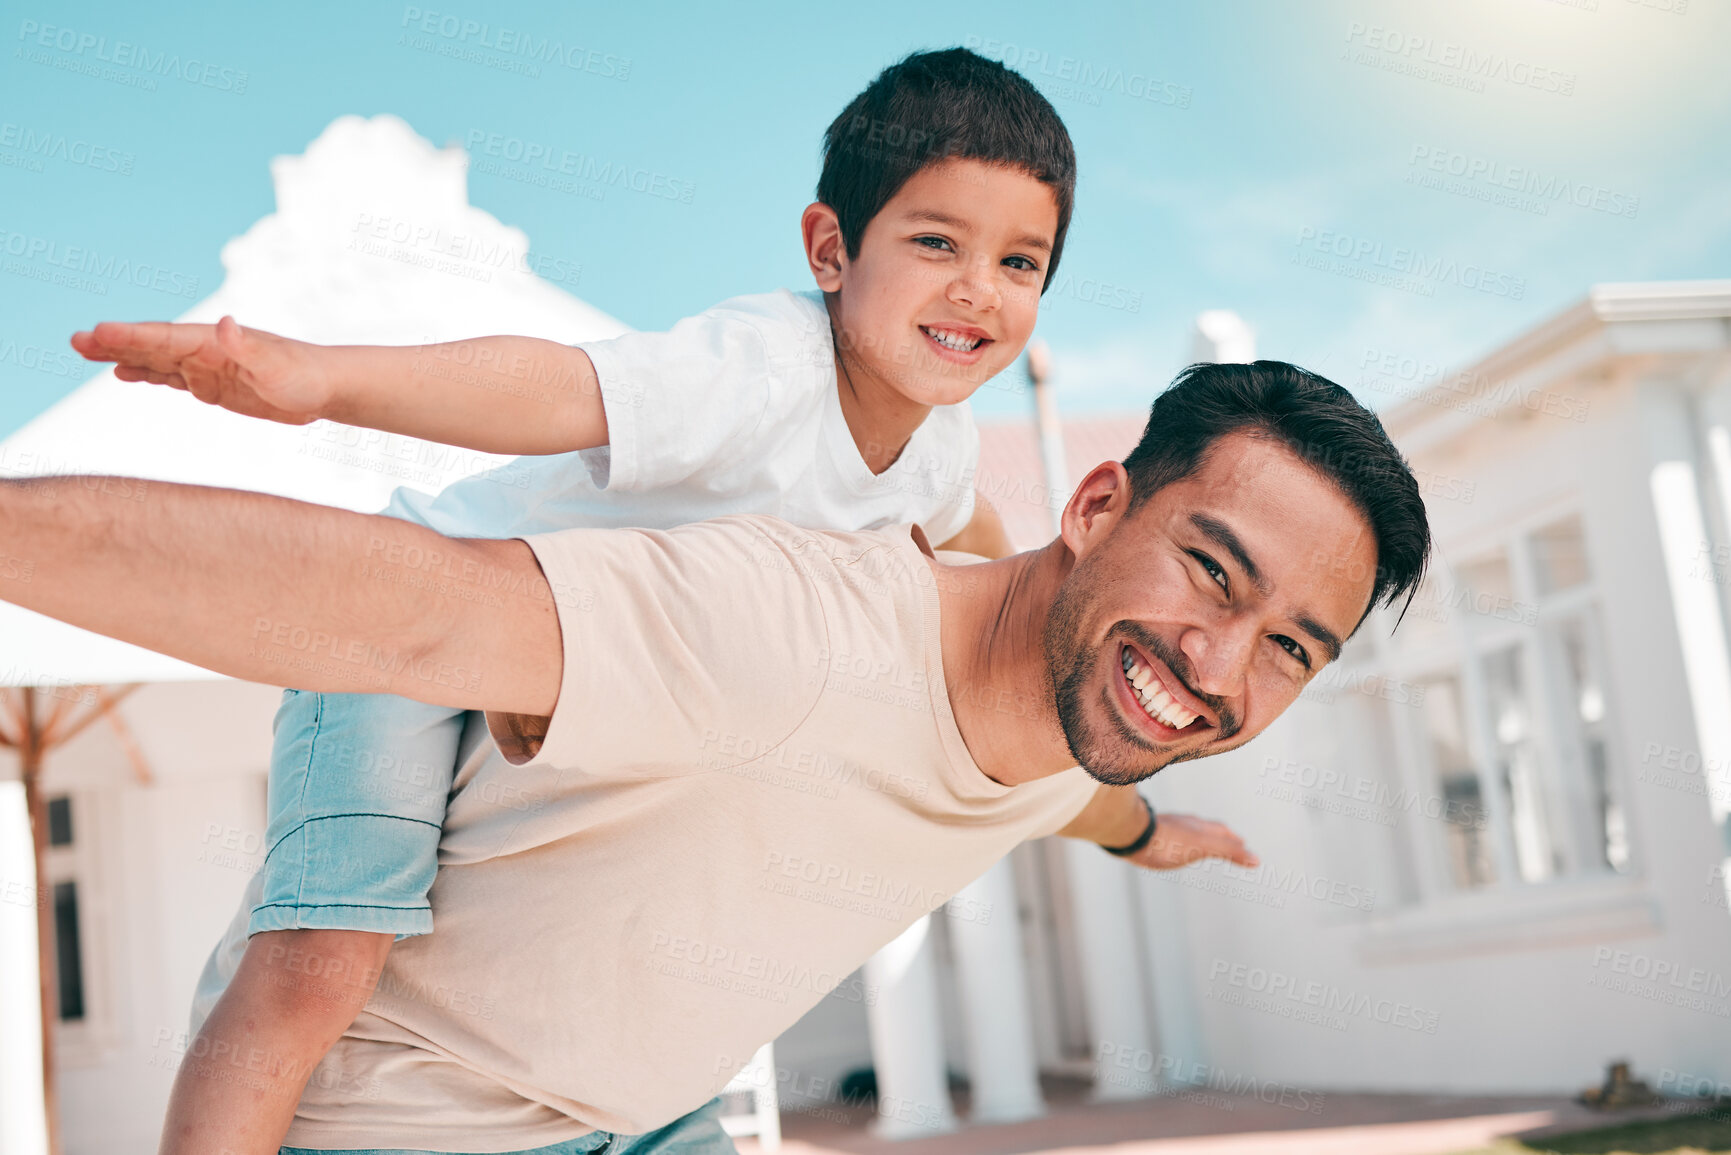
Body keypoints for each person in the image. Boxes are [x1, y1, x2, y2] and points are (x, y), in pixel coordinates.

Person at [70, 47, 1253, 1155]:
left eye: (1020, 264)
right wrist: (321, 380)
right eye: (937, 242)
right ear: (831, 249)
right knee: (324, 959)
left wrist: (1148, 831)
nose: (979, 291)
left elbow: (1015, 607)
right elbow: (554, 390)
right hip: (416, 629)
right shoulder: (760, 369)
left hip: (570, 681)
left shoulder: (939, 457)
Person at [1, 359, 1429, 1155]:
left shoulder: (1081, 726)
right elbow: (407, 608)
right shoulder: (789, 621)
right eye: (1210, 572)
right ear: (1095, 501)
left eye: (1291, 646)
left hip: (640, 1122)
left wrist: (1159, 836)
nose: (1215, 667)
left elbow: (1084, 806)